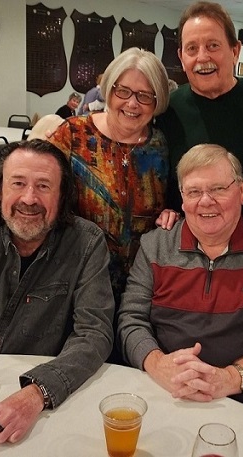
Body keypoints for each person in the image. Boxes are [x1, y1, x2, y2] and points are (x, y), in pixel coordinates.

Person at [117, 144, 243, 419]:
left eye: (218, 189)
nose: (205, 201)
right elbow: (130, 320)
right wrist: (159, 365)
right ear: (181, 199)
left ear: (241, 192)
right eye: (193, 192)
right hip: (164, 396)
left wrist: (229, 378)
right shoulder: (154, 246)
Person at [0, 139, 114, 444]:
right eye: (18, 183)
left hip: (42, 409)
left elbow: (94, 333)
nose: (29, 198)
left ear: (62, 196)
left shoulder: (86, 244)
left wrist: (35, 394)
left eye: (44, 186)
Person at [50, 47, 170, 309]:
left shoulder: (161, 145)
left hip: (143, 293)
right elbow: (30, 185)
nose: (132, 103)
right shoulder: (73, 134)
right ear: (109, 90)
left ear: (157, 101)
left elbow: (168, 205)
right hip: (78, 286)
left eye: (144, 96)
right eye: (123, 90)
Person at [156, 1, 243, 225]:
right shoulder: (169, 109)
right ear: (181, 57)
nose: (202, 57)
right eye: (192, 48)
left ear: (235, 50)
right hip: (191, 242)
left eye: (213, 46)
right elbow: (166, 182)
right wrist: (167, 210)